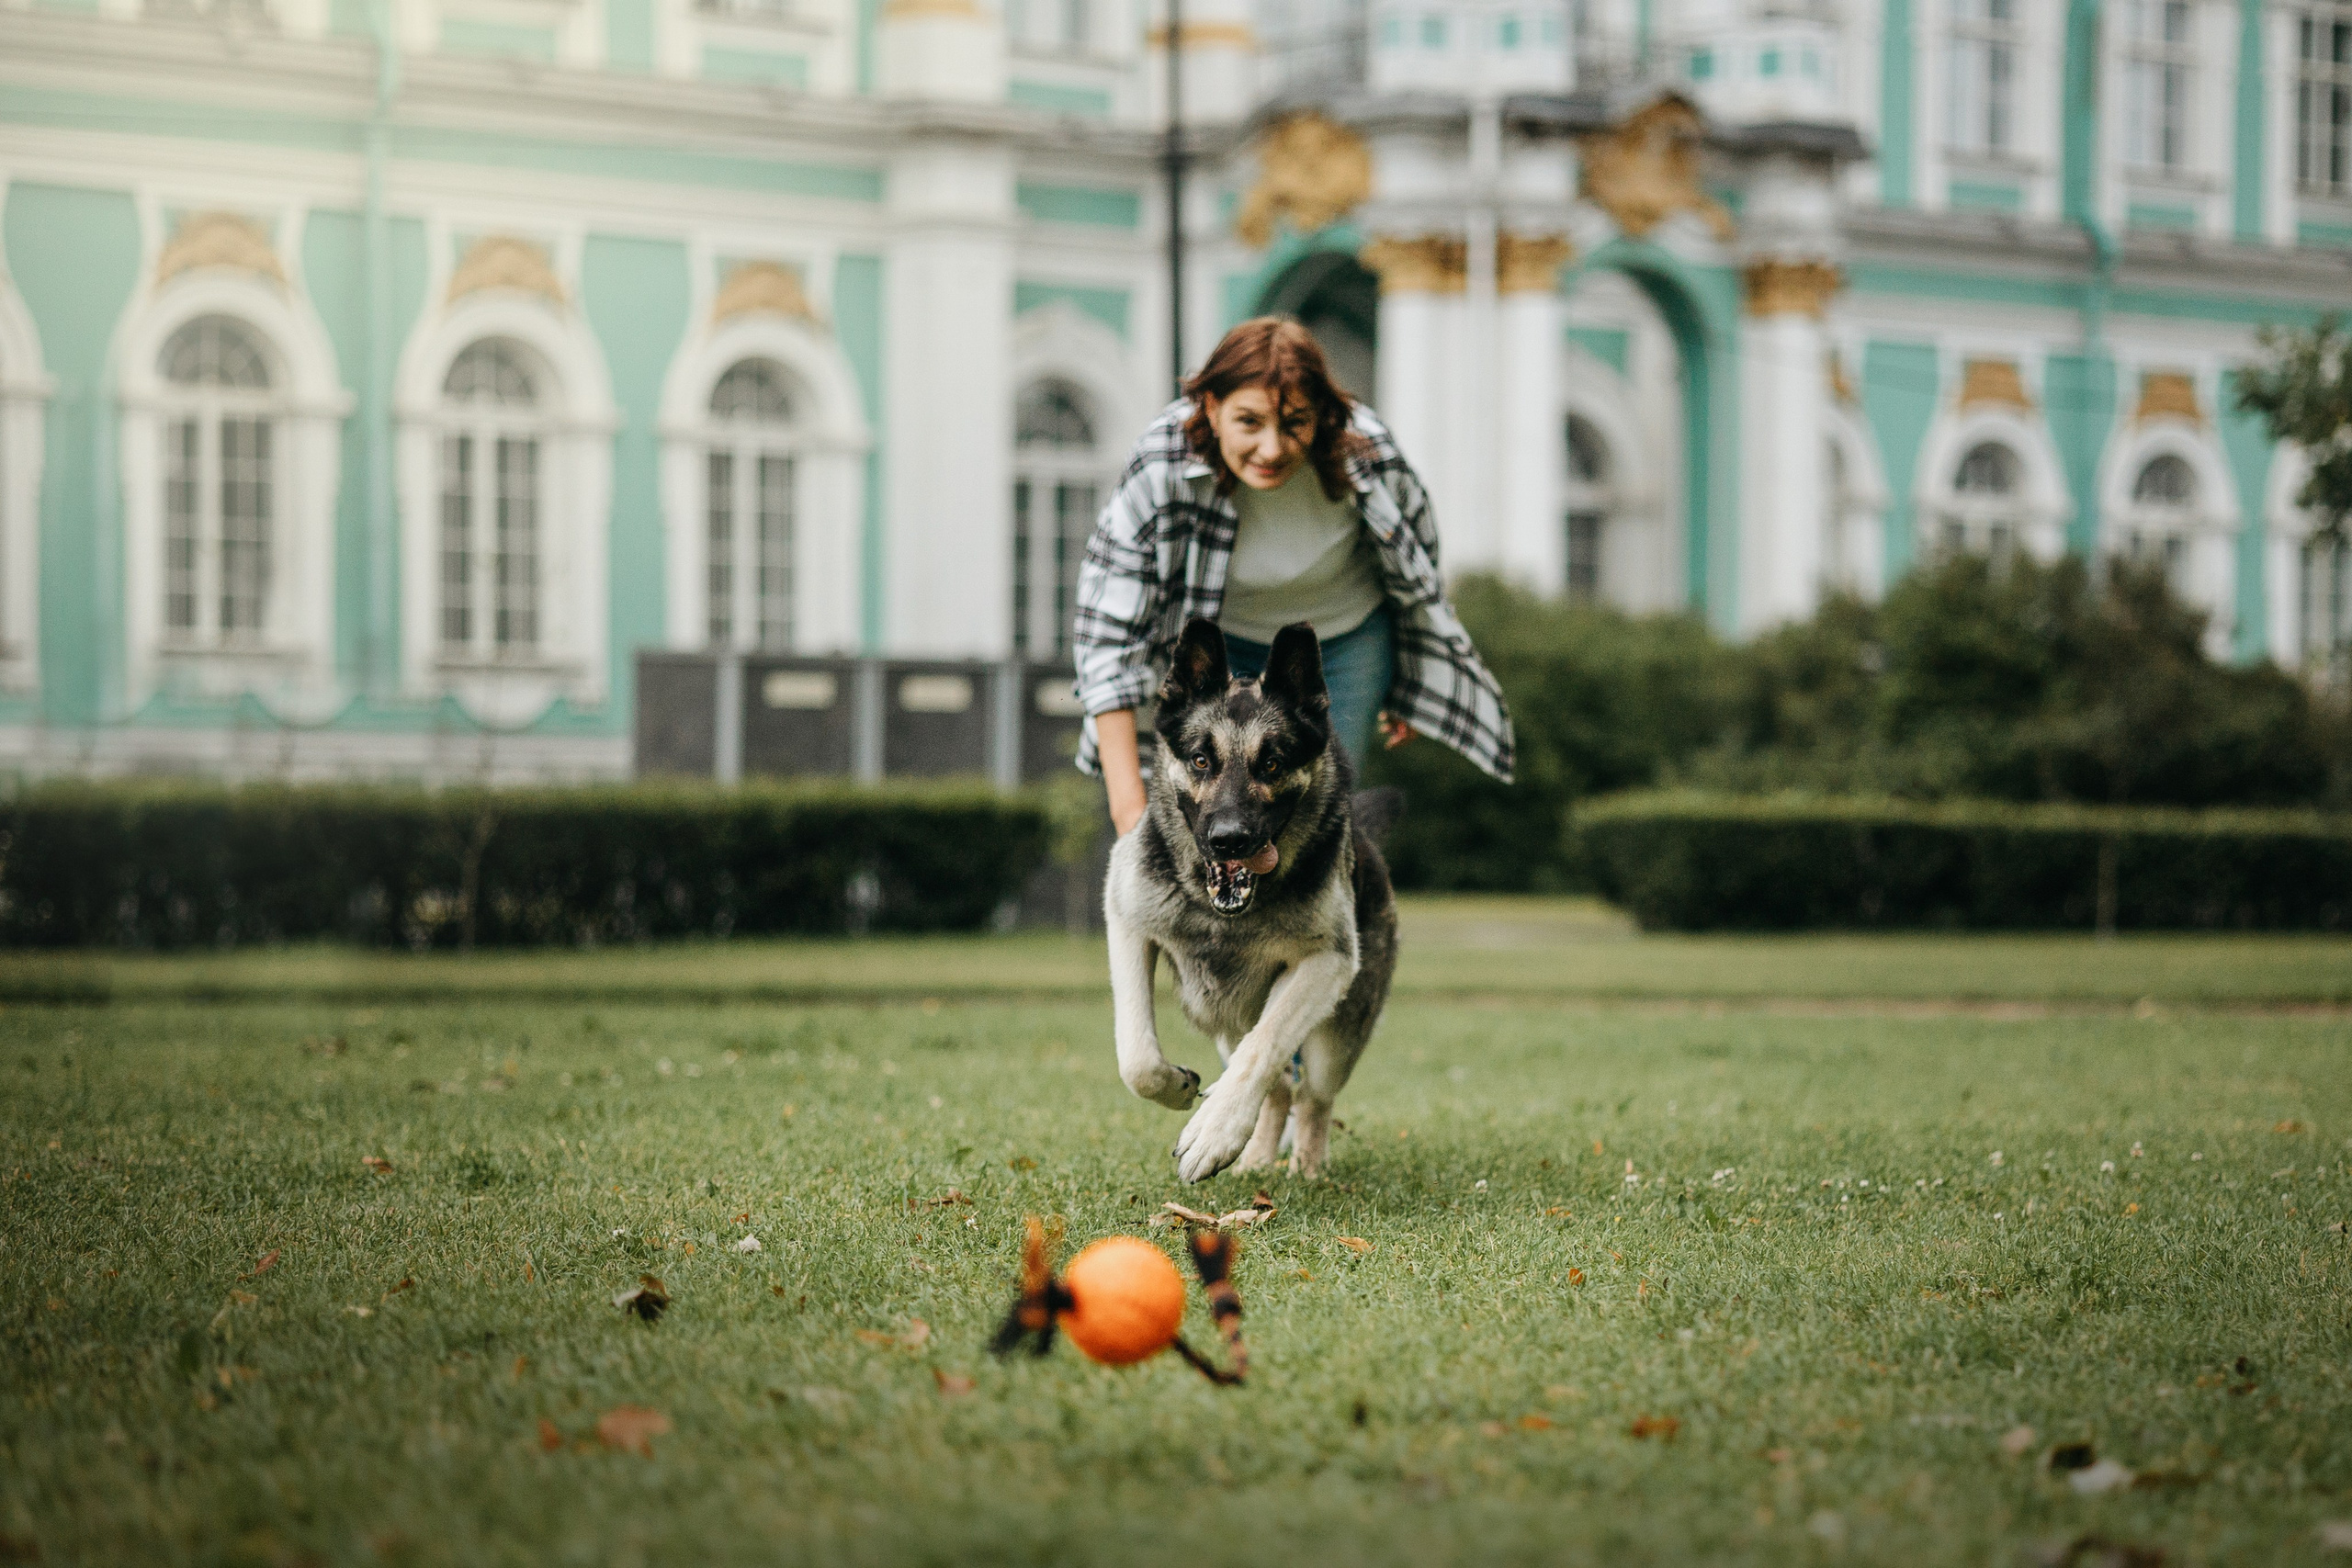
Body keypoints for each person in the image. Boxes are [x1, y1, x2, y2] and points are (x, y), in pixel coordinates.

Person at [1071, 317, 1515, 837]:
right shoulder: (1161, 466)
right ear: (1211, 409)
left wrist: (1410, 678)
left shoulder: (1368, 457)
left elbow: (1417, 575)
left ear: (1323, 415)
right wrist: (1131, 816)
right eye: (1250, 423)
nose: (1273, 448)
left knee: (1313, 821)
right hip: (1221, 645)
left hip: (1342, 645)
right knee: (1209, 815)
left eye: (1295, 422)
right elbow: (1107, 639)